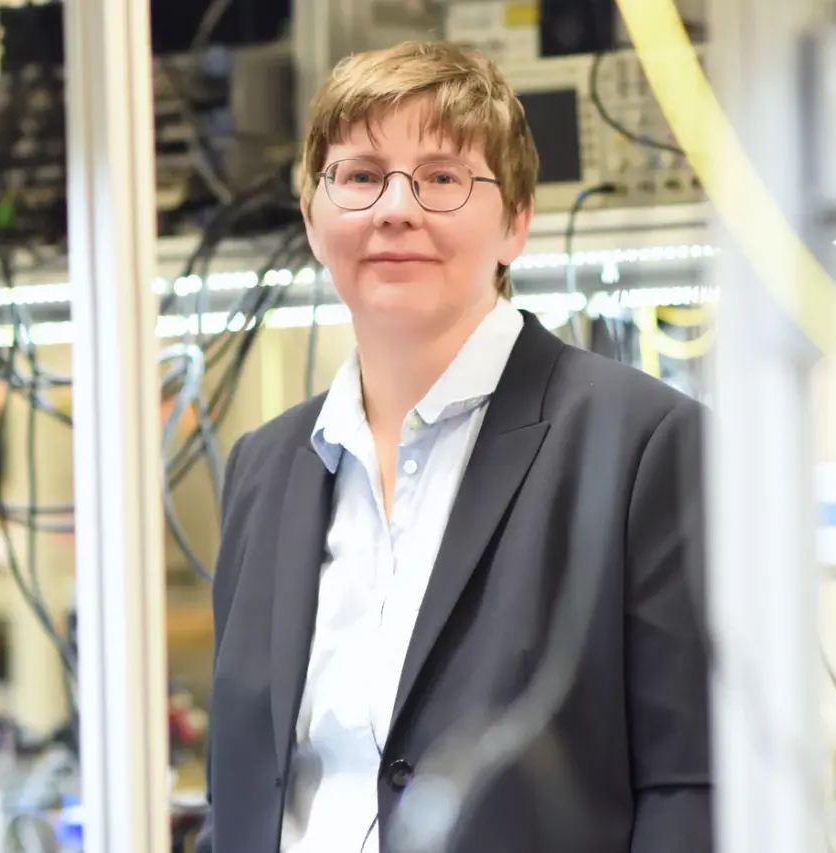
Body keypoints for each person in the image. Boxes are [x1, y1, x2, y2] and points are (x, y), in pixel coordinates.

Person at [196, 40, 712, 853]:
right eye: (361, 175)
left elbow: (692, 788)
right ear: (311, 213)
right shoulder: (265, 465)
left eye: (442, 177)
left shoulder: (643, 443)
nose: (396, 207)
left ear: (516, 221)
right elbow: (240, 793)